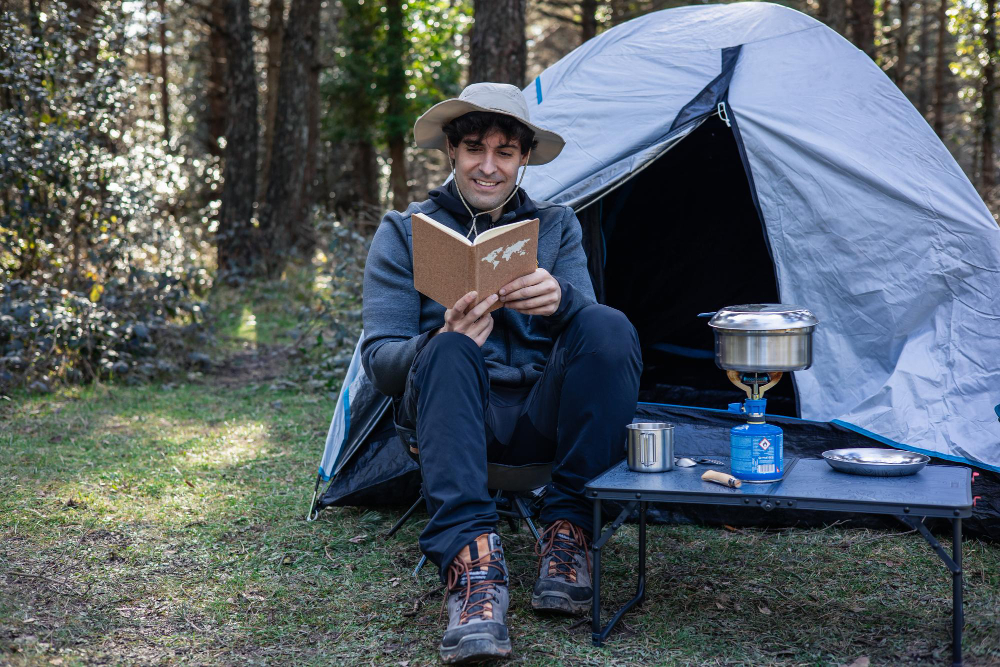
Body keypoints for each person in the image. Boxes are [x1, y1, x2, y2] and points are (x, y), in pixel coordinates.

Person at [361, 82, 642, 663]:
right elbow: (379, 365)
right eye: (474, 149)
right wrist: (439, 340)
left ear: (524, 158)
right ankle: (473, 568)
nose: (489, 167)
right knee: (448, 350)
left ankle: (569, 532)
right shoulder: (402, 231)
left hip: (542, 417)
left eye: (505, 152)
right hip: (452, 420)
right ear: (451, 150)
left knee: (608, 323)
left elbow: (594, 339)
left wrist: (561, 299)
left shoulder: (557, 227)